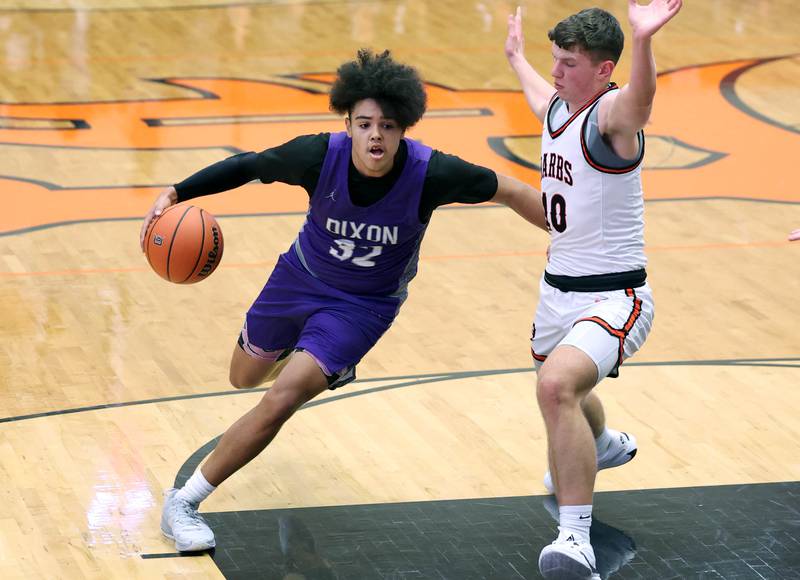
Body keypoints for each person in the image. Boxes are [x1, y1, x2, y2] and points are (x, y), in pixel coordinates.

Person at [139, 48, 548, 553]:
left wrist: (568, 231)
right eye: (365, 123)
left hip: (363, 307)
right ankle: (317, 359)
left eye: (389, 125)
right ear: (348, 124)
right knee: (243, 377)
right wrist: (176, 193)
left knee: (281, 398)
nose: (376, 135)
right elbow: (249, 166)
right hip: (298, 277)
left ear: (404, 129)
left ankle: (184, 501)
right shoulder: (316, 155)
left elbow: (510, 189)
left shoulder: (433, 173)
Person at [505, 1, 681, 578]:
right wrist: (515, 57)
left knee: (556, 388)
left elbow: (642, 102)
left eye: (569, 63)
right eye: (554, 60)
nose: (556, 72)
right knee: (559, 390)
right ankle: (602, 443)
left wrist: (643, 39)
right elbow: (539, 94)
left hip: (616, 296)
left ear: (604, 70)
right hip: (556, 293)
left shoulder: (611, 116)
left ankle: (574, 540)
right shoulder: (559, 106)